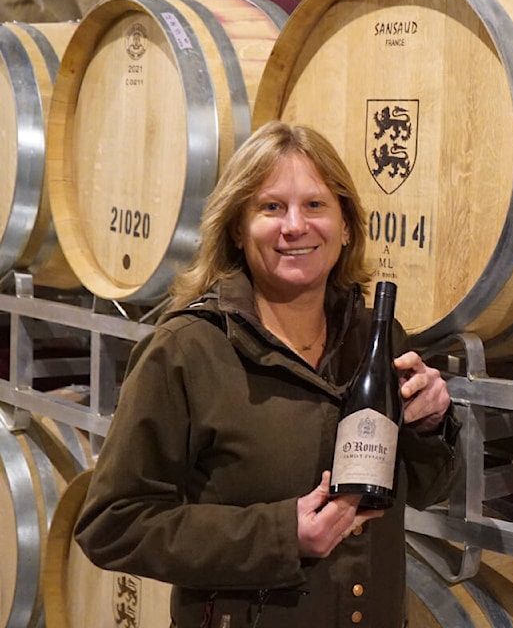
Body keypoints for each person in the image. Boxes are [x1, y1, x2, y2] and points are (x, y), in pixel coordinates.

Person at [74, 121, 463, 627]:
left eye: (316, 205)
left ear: (347, 226)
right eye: (271, 207)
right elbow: (112, 525)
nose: (295, 226)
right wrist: (280, 536)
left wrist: (431, 426)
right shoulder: (188, 350)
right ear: (238, 227)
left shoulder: (379, 337)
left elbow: (428, 492)